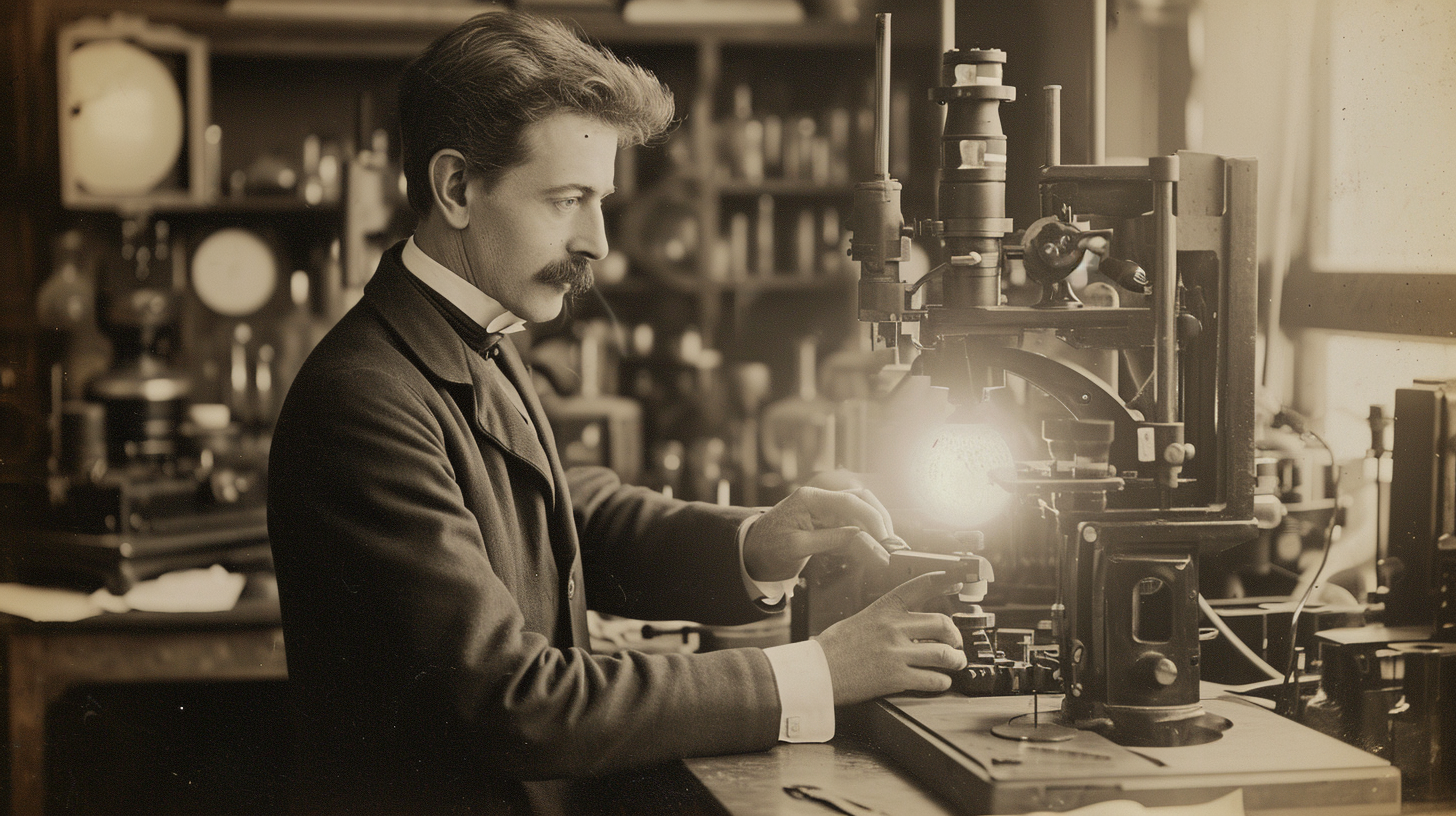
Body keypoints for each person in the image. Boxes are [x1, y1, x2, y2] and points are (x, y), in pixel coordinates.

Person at [267, 11, 966, 815]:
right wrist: (819, 671)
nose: (597, 240)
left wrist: (758, 544)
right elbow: (514, 701)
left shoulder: (472, 333)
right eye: (567, 200)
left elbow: (569, 516)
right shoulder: (363, 399)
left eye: (599, 201)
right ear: (456, 187)